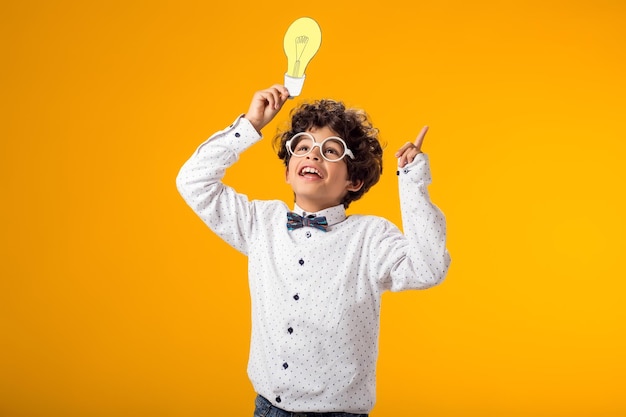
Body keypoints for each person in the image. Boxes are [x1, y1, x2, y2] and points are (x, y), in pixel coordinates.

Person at [176, 84, 451, 416]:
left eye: (331, 150)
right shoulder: (261, 223)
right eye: (302, 147)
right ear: (287, 171)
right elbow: (193, 181)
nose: (312, 155)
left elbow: (429, 267)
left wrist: (412, 181)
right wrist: (249, 125)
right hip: (268, 409)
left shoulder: (370, 237)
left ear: (355, 181)